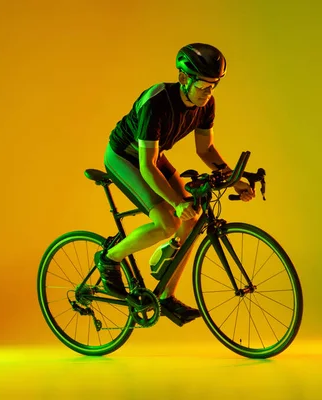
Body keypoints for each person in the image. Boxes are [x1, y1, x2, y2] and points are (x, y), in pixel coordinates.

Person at [95, 43, 255, 324]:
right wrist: (176, 203)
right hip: (125, 156)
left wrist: (234, 181)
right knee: (167, 222)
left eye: (214, 86)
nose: (209, 93)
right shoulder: (157, 101)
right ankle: (110, 258)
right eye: (204, 86)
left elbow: (205, 150)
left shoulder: (206, 104)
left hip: (153, 157)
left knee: (192, 221)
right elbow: (146, 165)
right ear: (184, 79)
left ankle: (165, 297)